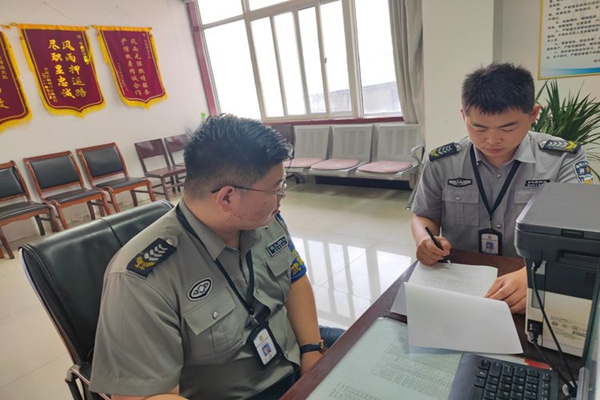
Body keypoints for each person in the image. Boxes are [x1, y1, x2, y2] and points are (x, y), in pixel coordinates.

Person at [90, 114, 340, 400]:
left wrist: (311, 349)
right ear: (227, 198)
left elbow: (295, 278)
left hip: (293, 352)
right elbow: (141, 397)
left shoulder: (265, 221)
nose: (282, 196)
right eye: (276, 188)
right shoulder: (140, 280)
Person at [411, 62, 593, 314]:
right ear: (463, 115)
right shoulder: (442, 162)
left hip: (530, 278)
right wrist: (424, 240)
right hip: (460, 279)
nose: (492, 139)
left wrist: (533, 274)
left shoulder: (563, 159)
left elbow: (582, 231)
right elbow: (424, 215)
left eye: (508, 127)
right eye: (479, 127)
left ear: (533, 114)